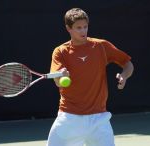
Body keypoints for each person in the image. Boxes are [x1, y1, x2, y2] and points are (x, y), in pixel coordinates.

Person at [47, 8, 134, 146]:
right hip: (69, 118)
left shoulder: (101, 46)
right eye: (78, 28)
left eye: (85, 27)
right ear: (68, 28)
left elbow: (128, 64)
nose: (83, 31)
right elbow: (58, 82)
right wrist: (61, 76)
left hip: (99, 119)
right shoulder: (60, 52)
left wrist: (124, 76)